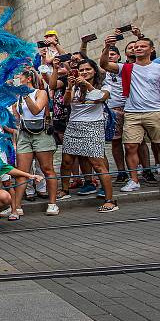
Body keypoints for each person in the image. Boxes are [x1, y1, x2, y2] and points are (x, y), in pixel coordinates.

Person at [101, 29, 160, 192]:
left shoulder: (157, 68)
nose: (138, 48)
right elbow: (104, 65)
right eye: (136, 47)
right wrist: (107, 47)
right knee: (130, 147)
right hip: (132, 113)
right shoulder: (126, 68)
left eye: (142, 46)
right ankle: (134, 180)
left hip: (155, 111)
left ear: (151, 49)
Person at [60, 59, 116, 211]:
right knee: (66, 161)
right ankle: (64, 190)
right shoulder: (74, 86)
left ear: (94, 71)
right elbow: (66, 103)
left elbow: (101, 98)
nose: (84, 72)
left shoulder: (104, 85)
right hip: (73, 125)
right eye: (82, 70)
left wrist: (87, 85)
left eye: (88, 69)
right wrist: (70, 87)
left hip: (93, 126)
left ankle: (110, 200)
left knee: (98, 165)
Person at [11, 68, 60, 217]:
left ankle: (52, 204)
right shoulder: (17, 97)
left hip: (41, 133)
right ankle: (16, 206)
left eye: (20, 76)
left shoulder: (40, 93)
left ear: (28, 79)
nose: (17, 78)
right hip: (24, 134)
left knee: (47, 168)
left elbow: (36, 110)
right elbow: (17, 119)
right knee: (22, 172)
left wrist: (25, 95)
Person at [102, 46, 129, 183]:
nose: (110, 56)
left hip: (130, 108)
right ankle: (121, 172)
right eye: (108, 54)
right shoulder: (102, 72)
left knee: (135, 143)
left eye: (113, 54)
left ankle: (144, 170)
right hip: (113, 109)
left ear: (119, 56)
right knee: (116, 142)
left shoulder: (124, 68)